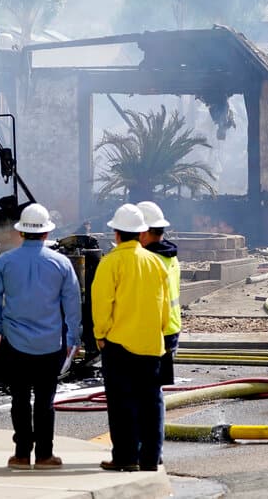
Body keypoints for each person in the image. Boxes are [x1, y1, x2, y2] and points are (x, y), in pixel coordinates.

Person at [0, 203, 82, 470]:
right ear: (46, 233)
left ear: (21, 232)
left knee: (19, 399)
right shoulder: (61, 263)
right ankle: (44, 455)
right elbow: (72, 304)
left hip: (15, 343)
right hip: (50, 345)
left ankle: (21, 454)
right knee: (44, 402)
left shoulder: (5, 262)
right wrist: (73, 338)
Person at [91, 203, 171, 473]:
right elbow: (165, 306)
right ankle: (151, 458)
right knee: (151, 404)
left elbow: (102, 304)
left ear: (116, 233)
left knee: (121, 405)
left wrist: (100, 334)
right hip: (152, 345)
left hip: (119, 345)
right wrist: (160, 332)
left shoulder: (110, 263)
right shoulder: (155, 262)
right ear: (141, 233)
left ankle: (125, 457)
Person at [136, 201, 181, 459]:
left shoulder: (151, 260)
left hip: (154, 332)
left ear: (143, 232)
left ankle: (144, 451)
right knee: (154, 393)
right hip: (170, 330)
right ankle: (154, 452)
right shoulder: (170, 255)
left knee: (144, 395)